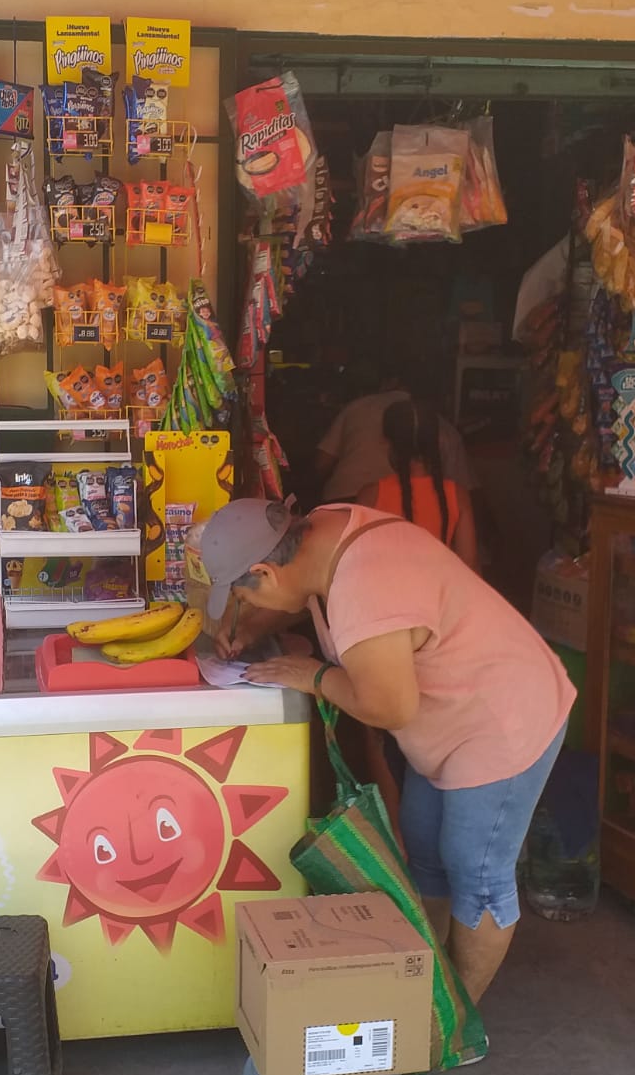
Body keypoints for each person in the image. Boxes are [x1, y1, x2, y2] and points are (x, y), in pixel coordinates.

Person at [203, 498, 574, 1005]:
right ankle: (426, 993)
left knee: (477, 873)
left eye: (245, 597)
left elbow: (389, 707)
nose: (245, 606)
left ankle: (454, 1022)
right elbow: (301, 592)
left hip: (501, 719)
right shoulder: (321, 534)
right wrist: (253, 627)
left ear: (266, 571)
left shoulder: (366, 587)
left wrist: (314, 676)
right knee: (425, 855)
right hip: (447, 719)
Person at [316, 362, 476, 511]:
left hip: (340, 503)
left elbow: (321, 464)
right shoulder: (445, 429)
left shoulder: (357, 407)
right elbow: (468, 489)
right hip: (409, 513)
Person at [357, 396, 478, 569]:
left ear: (387, 441)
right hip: (439, 586)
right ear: (435, 441)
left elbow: (361, 561)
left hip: (386, 585)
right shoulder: (458, 495)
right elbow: (469, 562)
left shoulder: (371, 495)